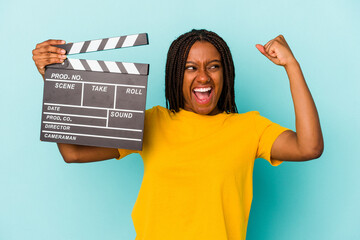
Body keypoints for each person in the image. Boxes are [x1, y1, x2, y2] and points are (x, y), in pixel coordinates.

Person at [32, 29, 323, 240]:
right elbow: (74, 152)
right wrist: (55, 80)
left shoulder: (249, 128)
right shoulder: (152, 122)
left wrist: (291, 66)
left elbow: (309, 147)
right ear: (175, 74)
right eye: (190, 68)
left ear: (226, 73)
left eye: (213, 67)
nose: (203, 77)